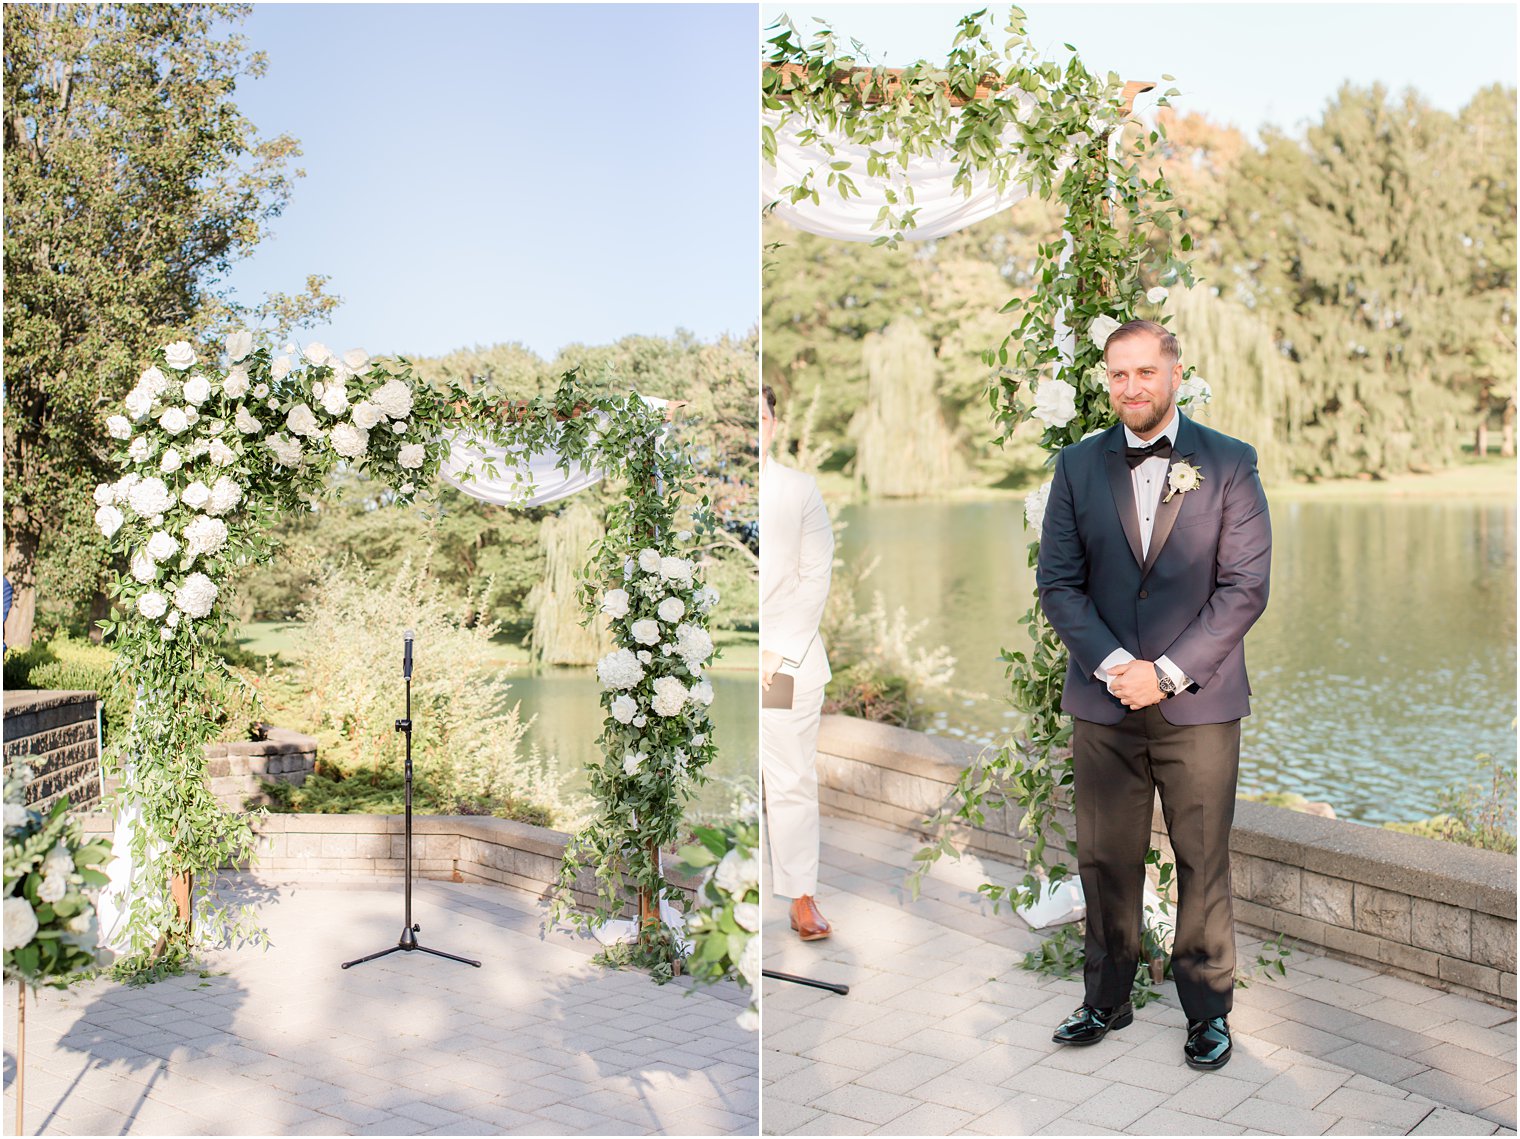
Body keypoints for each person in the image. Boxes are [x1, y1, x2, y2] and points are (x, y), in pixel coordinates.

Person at [1036, 320, 1271, 1071]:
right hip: (1104, 704)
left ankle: (1207, 1010)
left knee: (1204, 858)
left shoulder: (1230, 463)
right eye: (1118, 375)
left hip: (1196, 705)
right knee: (1105, 857)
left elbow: (1244, 588)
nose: (1131, 387)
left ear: (1175, 373)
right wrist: (1113, 663)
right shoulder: (1075, 467)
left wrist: (1165, 671)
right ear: (1107, 380)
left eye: (1145, 372)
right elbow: (1059, 584)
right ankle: (1106, 997)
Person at [759, 384, 835, 940]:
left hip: (785, 665)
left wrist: (775, 650)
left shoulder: (798, 490)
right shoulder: (712, 490)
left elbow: (814, 578)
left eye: (760, 416)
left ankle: (801, 897)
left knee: (788, 779)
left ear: (773, 423)